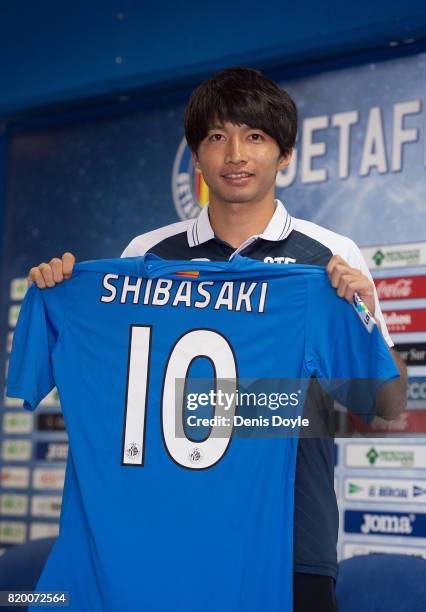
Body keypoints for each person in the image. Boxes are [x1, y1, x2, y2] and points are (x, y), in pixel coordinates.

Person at [27, 66, 407, 612]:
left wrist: (363, 318)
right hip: (165, 534)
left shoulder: (329, 254)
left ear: (285, 155)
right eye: (216, 137)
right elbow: (118, 389)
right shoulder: (146, 255)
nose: (235, 154)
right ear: (197, 155)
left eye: (255, 136)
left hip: (292, 539)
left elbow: (387, 407)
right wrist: (64, 295)